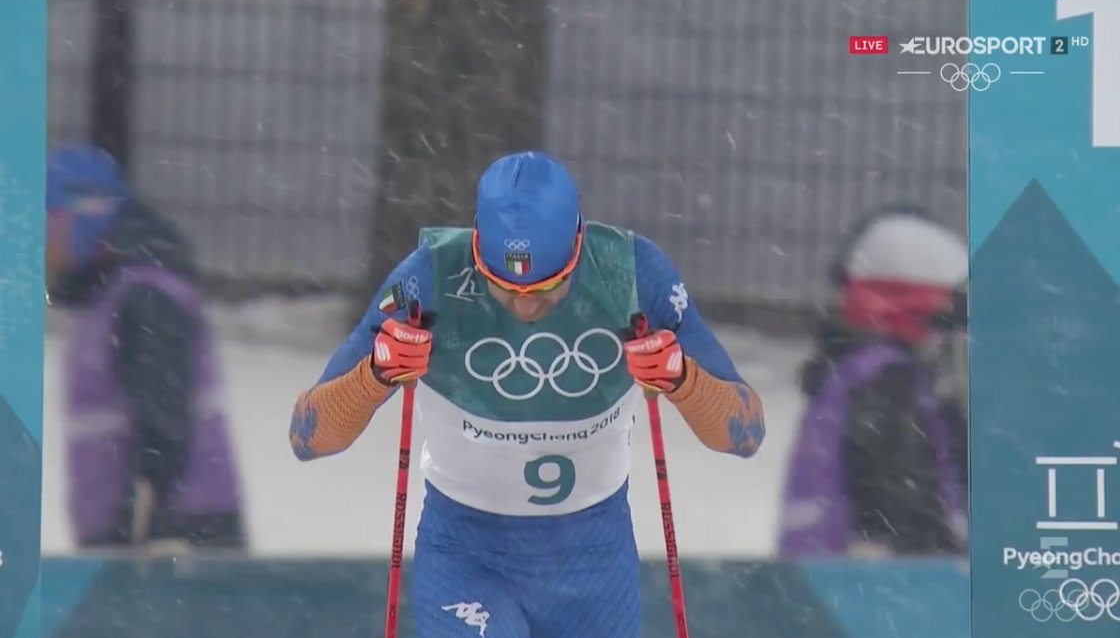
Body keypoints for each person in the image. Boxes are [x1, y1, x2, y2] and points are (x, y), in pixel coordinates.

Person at [290, 150, 765, 637]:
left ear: (578, 246)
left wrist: (682, 377)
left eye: (549, 287)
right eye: (501, 286)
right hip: (467, 554)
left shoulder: (630, 273)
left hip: (595, 564)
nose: (525, 304)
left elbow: (743, 433)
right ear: (477, 250)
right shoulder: (428, 278)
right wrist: (375, 373)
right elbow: (310, 437)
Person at [46, 144, 245, 550]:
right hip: (129, 541)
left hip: (174, 540)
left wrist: (153, 523)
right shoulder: (106, 298)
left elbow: (164, 417)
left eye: (46, 222)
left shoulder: (144, 296)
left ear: (86, 215)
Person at [778, 206, 968, 558]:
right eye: (946, 324)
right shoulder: (887, 386)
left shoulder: (850, 375)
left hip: (820, 592)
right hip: (871, 599)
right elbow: (907, 517)